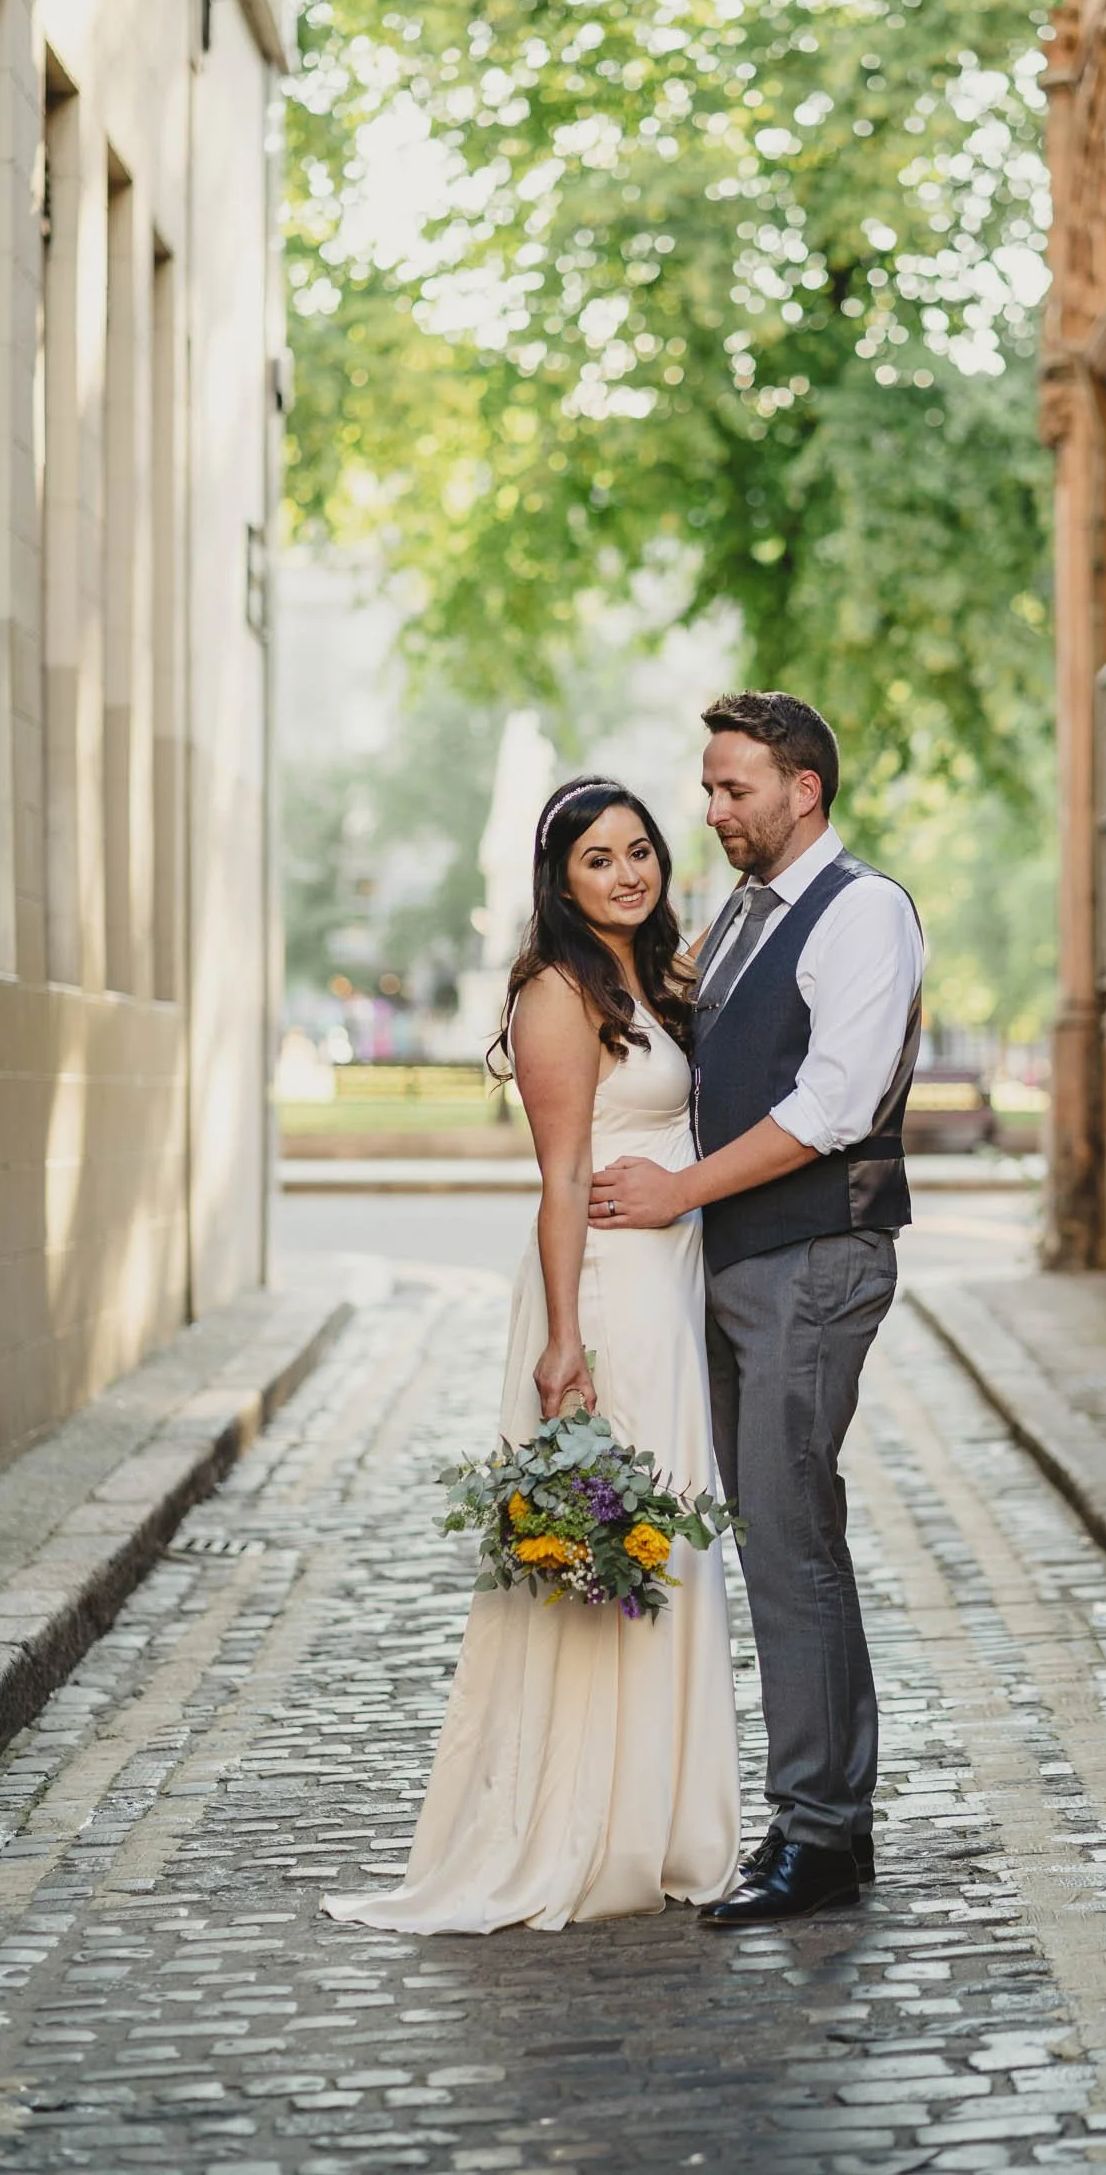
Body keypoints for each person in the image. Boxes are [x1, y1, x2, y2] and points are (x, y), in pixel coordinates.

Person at [322, 778, 739, 1934]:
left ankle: (662, 1824)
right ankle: (588, 1828)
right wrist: (565, 1341)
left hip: (670, 1286)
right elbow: (560, 1175)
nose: (627, 873)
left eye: (642, 851)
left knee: (670, 1542)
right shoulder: (559, 993)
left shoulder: (656, 976)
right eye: (598, 859)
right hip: (603, 1292)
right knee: (611, 1558)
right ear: (559, 879)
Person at [590, 693, 923, 1925]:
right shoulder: (741, 917)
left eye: (736, 789)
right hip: (739, 1266)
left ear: (805, 790)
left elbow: (835, 1104)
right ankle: (822, 1819)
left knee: (789, 1536)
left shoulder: (865, 912)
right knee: (770, 1533)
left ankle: (822, 1837)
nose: (713, 810)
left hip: (815, 1261)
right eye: (710, 787)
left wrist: (677, 1190)